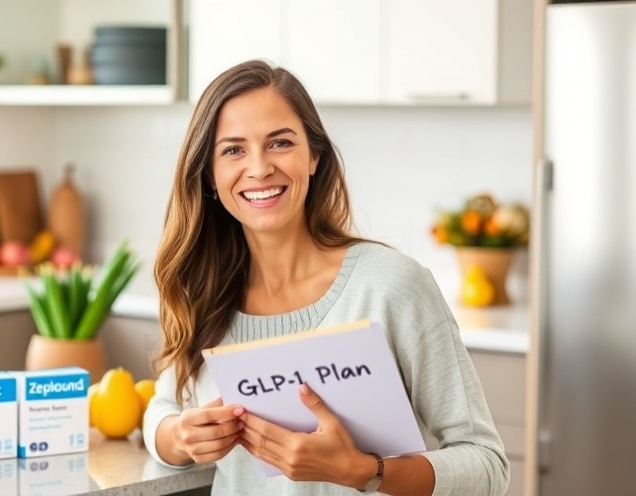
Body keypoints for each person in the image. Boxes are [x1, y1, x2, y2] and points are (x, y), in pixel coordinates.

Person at [142, 59, 509, 496]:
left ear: (313, 156)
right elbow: (163, 407)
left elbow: (486, 466)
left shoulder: (391, 287)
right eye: (233, 150)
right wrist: (180, 438)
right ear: (209, 174)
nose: (258, 168)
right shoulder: (203, 290)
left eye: (279, 143)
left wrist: (364, 471)